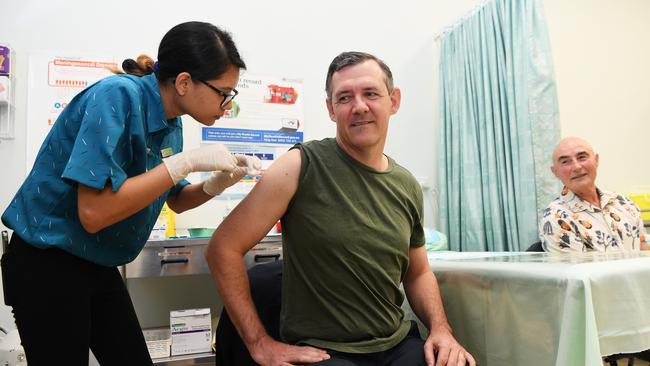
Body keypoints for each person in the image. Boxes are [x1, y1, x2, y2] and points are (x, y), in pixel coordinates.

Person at [0, 21, 260, 365]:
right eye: (223, 92)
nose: (227, 104)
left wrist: (217, 183)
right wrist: (182, 164)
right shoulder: (117, 96)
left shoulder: (171, 122)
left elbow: (176, 200)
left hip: (97, 261)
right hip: (49, 261)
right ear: (184, 82)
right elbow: (93, 214)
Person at [206, 51, 475, 366]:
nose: (359, 106)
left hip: (396, 344)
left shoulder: (406, 185)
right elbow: (223, 247)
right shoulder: (301, 165)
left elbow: (418, 272)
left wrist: (441, 329)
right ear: (331, 109)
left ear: (394, 100)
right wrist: (259, 343)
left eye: (371, 93)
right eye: (345, 97)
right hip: (323, 351)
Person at [539, 136, 648, 252]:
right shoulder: (556, 218)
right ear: (555, 172)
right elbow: (575, 269)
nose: (576, 167)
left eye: (582, 157)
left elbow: (644, 251)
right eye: (565, 162)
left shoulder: (623, 202)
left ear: (596, 160)